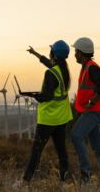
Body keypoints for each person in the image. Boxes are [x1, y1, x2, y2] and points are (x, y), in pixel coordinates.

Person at [21, 40, 73, 182]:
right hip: (61, 118)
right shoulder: (63, 70)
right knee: (61, 152)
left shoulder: (50, 73)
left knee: (36, 152)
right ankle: (64, 180)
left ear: (54, 55)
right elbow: (46, 62)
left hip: (48, 119)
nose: (49, 54)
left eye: (51, 51)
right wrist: (35, 53)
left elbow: (47, 97)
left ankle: (25, 182)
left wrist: (33, 95)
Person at [70, 37, 100, 182]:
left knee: (76, 135)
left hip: (95, 110)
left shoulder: (92, 67)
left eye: (76, 51)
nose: (74, 54)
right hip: (94, 111)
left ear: (81, 53)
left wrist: (92, 102)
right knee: (98, 147)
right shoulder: (87, 67)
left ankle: (85, 173)